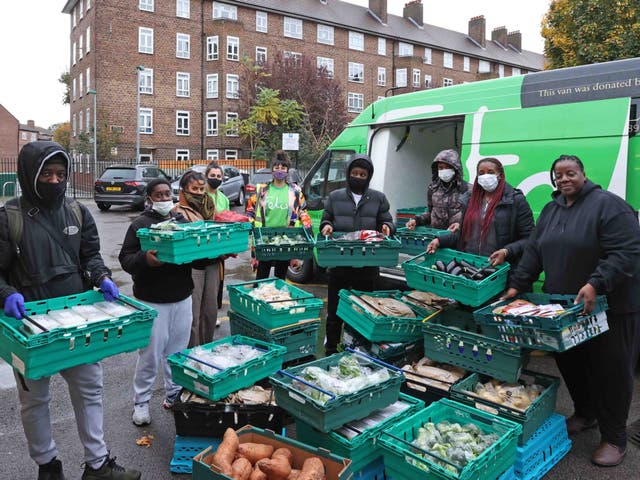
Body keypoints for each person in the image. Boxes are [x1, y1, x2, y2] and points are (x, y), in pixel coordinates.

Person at [0, 141, 140, 480]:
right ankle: (47, 465)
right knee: (35, 400)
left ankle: (98, 465)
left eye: (60, 174)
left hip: (78, 322)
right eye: (45, 173)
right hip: (31, 326)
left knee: (90, 389)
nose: (54, 180)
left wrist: (101, 275)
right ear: (29, 174)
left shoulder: (78, 212)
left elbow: (89, 255)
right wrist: (5, 293)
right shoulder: (9, 218)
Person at [503, 154, 640, 467]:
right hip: (566, 310)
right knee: (571, 361)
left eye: (571, 173)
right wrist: (516, 285)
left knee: (611, 372)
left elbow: (627, 251)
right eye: (559, 175)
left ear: (583, 174)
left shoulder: (608, 206)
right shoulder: (551, 210)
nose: (564, 179)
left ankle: (615, 438)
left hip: (611, 309)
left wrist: (596, 283)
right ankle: (586, 412)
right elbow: (535, 251)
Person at [119, 179, 194, 426]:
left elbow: (194, 255)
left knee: (178, 351)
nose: (164, 199)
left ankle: (173, 394)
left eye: (168, 194)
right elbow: (126, 259)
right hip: (153, 300)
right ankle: (141, 402)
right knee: (150, 354)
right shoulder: (140, 224)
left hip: (182, 296)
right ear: (149, 199)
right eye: (159, 195)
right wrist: (145, 260)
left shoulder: (181, 222)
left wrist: (216, 255)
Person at [320, 154, 395, 355]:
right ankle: (331, 349)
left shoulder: (378, 198)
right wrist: (326, 226)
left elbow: (387, 221)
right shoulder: (335, 197)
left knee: (364, 311)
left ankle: (359, 349)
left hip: (367, 266)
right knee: (335, 312)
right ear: (348, 174)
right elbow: (326, 220)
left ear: (368, 176)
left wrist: (387, 227)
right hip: (340, 264)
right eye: (354, 173)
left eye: (362, 174)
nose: (358, 177)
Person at [427, 157, 534, 269]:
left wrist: (506, 251)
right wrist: (439, 240)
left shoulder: (515, 200)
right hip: (469, 266)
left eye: (491, 172)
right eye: (481, 173)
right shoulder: (469, 200)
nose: (485, 176)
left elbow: (529, 238)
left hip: (498, 269)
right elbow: (462, 235)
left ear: (500, 175)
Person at [246, 151, 311, 280]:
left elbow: (302, 211)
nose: (279, 170)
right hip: (264, 240)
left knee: (280, 278)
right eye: (276, 167)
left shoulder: (295, 192)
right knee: (261, 278)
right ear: (272, 170)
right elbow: (250, 211)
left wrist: (307, 225)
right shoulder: (262, 191)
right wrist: (249, 223)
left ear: (287, 170)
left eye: (283, 168)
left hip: (286, 241)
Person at [173, 170, 221, 347]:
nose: (199, 193)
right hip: (193, 268)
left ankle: (207, 347)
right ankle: (193, 352)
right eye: (194, 189)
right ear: (184, 190)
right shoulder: (177, 211)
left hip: (213, 264)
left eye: (202, 189)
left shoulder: (209, 205)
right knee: (194, 315)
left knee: (210, 312)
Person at [406, 149, 470, 232]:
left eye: (448, 167)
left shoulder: (467, 189)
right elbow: (431, 213)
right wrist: (416, 220)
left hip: (458, 238)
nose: (444, 170)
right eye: (441, 168)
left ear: (456, 168)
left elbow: (474, 217)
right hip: (436, 238)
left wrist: (460, 224)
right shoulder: (433, 189)